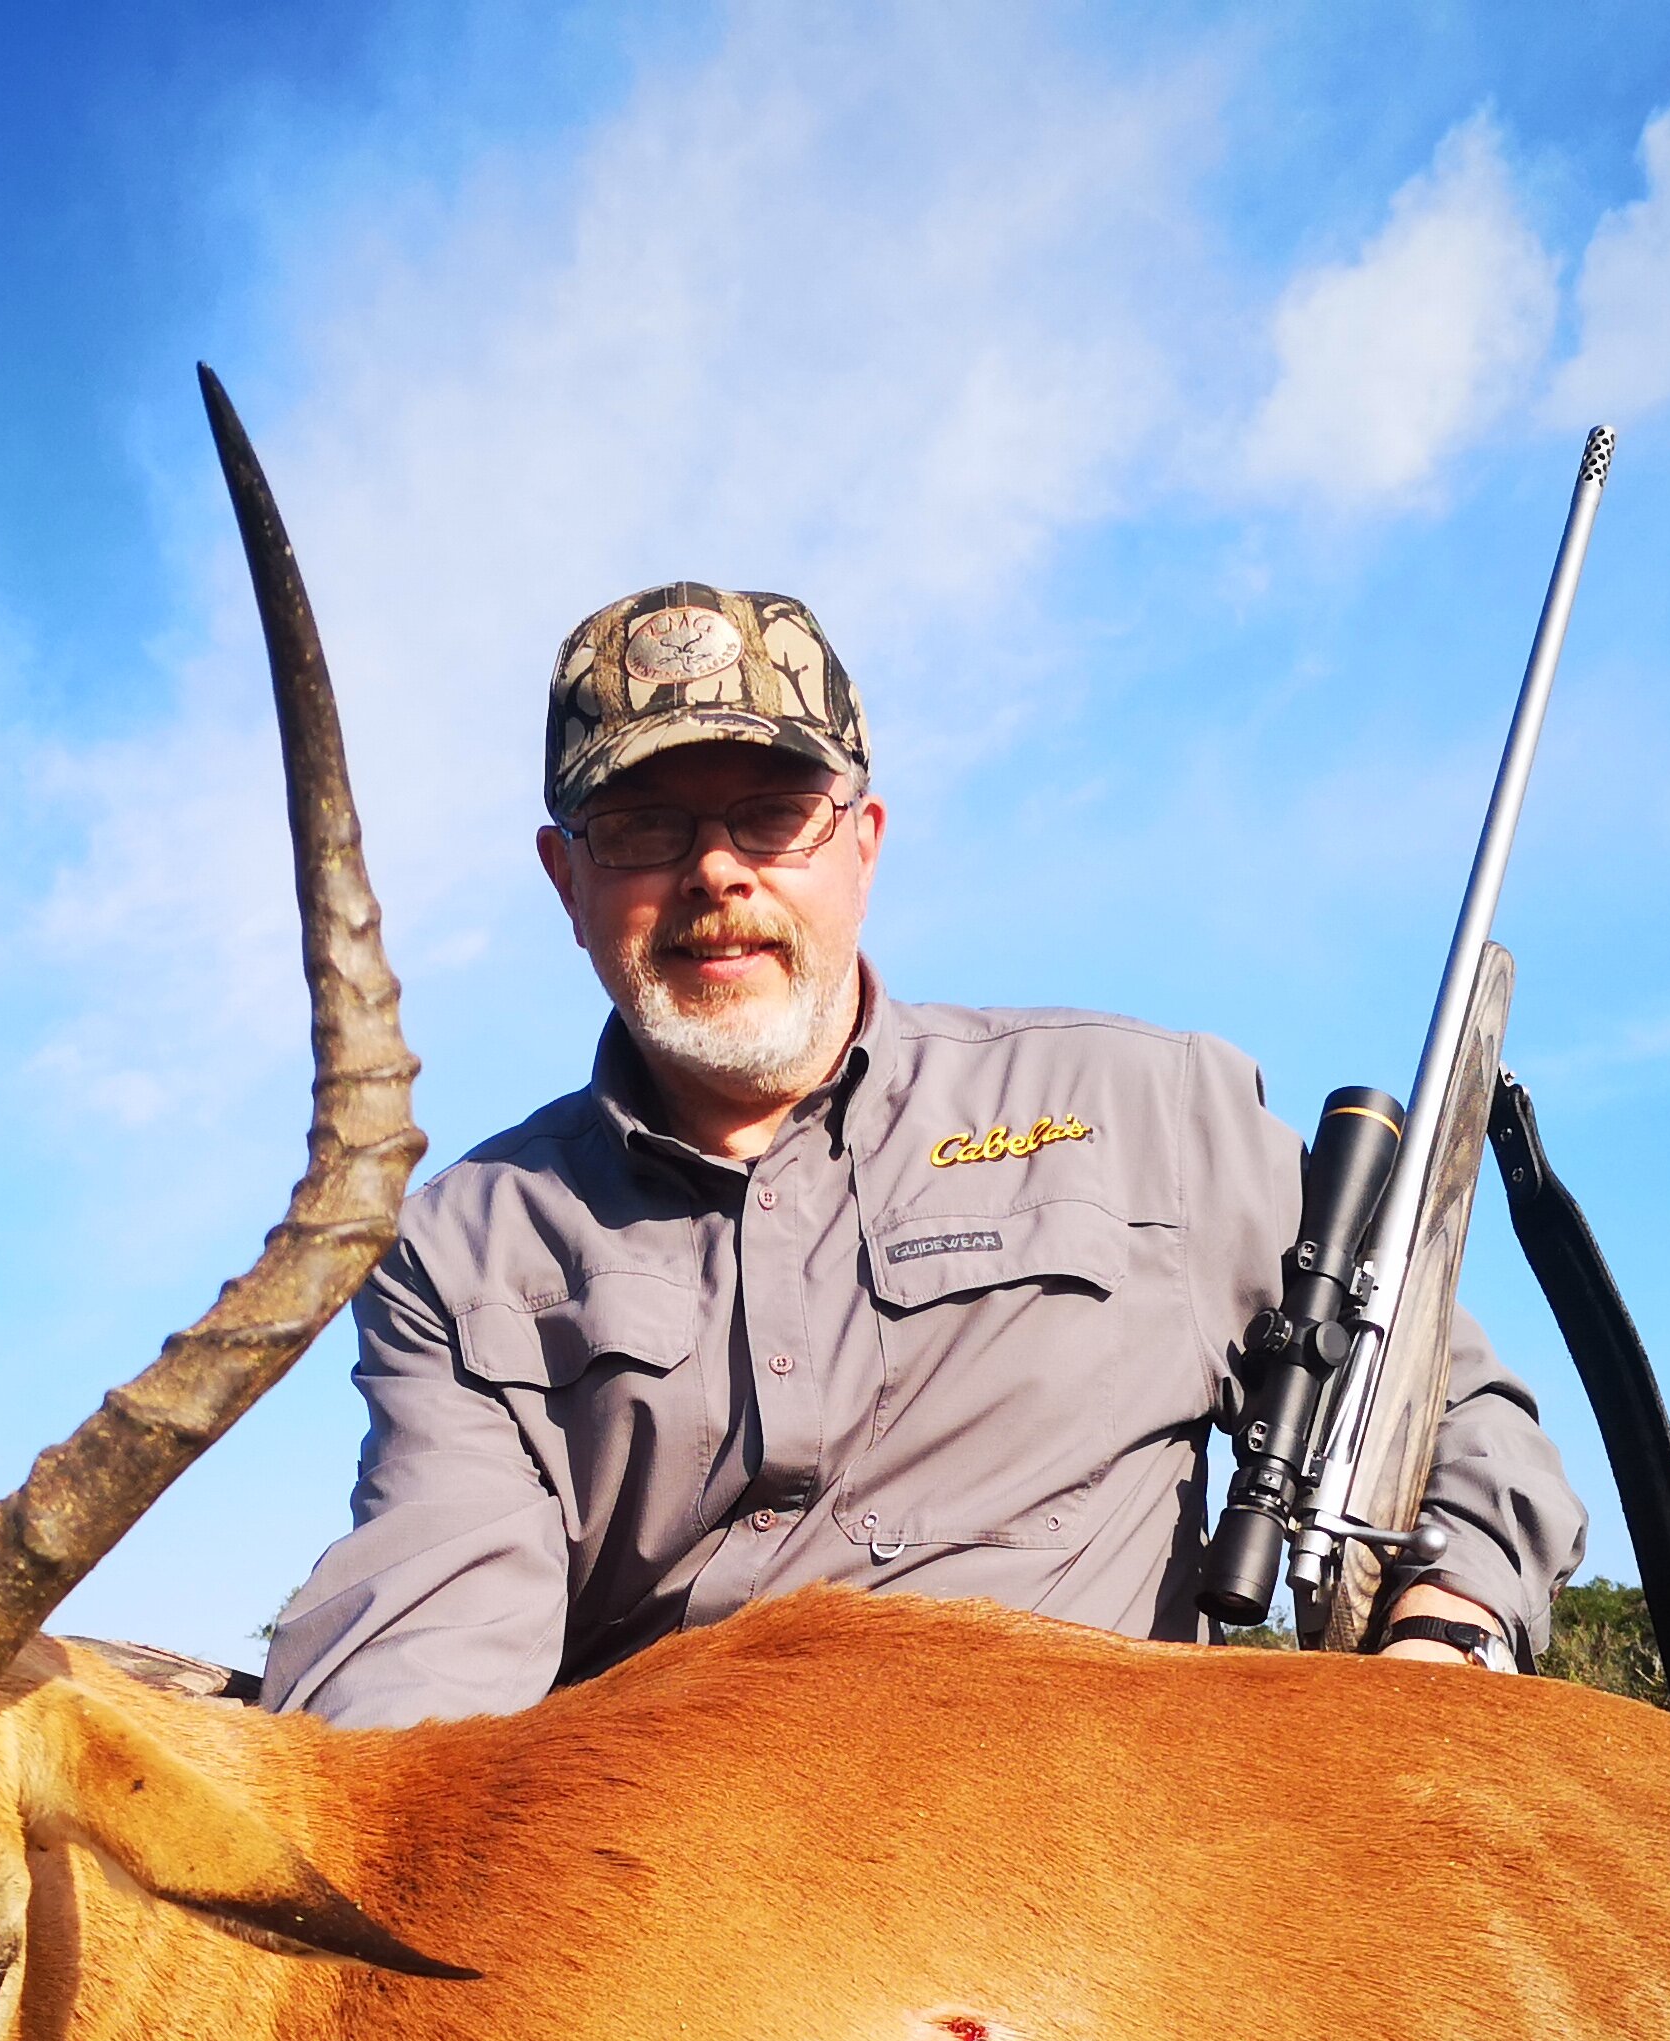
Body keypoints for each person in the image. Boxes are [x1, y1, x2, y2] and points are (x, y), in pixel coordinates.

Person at [260, 582, 1586, 1728]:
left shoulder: (1144, 1108)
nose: (716, 871)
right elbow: (436, 1619)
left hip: (1123, 1885)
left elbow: (1452, 1404)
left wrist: (1445, 1633)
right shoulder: (460, 1245)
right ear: (567, 881)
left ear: (861, 845)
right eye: (644, 830)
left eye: (771, 815)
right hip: (683, 1916)